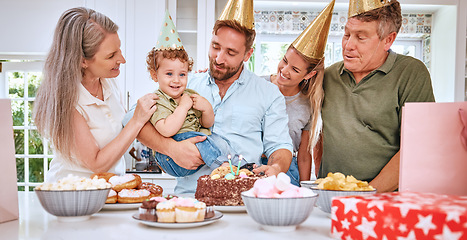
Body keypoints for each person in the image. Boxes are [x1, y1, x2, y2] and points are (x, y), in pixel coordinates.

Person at [125, 0, 293, 194]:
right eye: (215, 46)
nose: (219, 59)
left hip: (244, 199)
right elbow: (132, 119)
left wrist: (276, 168)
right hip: (190, 199)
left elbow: (280, 146)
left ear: (248, 54)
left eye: (231, 52)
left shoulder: (269, 94)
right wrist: (170, 148)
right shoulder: (183, 84)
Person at [318, 0, 435, 192]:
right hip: (330, 197)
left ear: (388, 40)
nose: (348, 45)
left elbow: (418, 147)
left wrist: (365, 196)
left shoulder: (411, 72)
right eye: (346, 34)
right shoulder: (329, 76)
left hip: (384, 200)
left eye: (361, 37)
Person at [33, 7, 157, 182]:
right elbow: (97, 164)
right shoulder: (68, 102)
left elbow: (123, 135)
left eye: (119, 49)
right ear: (83, 61)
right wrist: (137, 120)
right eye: (111, 55)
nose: (122, 59)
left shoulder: (108, 81)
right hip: (74, 195)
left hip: (108, 189)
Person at [147, 11, 239, 177]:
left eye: (182, 74)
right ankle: (223, 166)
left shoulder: (189, 93)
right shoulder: (157, 100)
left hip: (193, 154)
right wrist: (183, 107)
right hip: (170, 158)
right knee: (203, 138)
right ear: (155, 75)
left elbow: (207, 124)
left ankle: (239, 164)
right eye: (169, 74)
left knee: (216, 137)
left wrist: (206, 109)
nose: (177, 80)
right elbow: (167, 130)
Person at [262, 0, 334, 183]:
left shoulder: (307, 105)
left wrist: (305, 190)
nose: (284, 70)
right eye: (285, 61)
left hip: (288, 172)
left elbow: (303, 156)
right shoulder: (258, 85)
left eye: (294, 70)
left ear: (309, 74)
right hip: (252, 165)